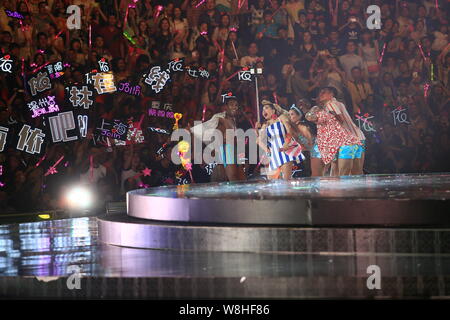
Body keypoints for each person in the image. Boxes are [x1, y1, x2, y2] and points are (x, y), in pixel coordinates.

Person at [191, 94, 246, 182]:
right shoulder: (220, 119)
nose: (235, 107)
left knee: (241, 179)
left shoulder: (234, 121)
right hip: (226, 150)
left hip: (234, 151)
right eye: (231, 104)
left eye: (236, 105)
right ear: (226, 107)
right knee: (234, 178)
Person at [316, 87, 365, 175]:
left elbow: (340, 119)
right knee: (357, 172)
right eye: (320, 92)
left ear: (331, 94)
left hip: (347, 140)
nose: (321, 94)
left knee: (342, 173)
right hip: (359, 137)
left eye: (324, 92)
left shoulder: (330, 104)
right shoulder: (339, 103)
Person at [256, 100, 302, 180]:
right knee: (272, 181)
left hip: (285, 151)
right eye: (263, 110)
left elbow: (289, 131)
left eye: (266, 108)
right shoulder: (265, 125)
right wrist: (267, 150)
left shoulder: (281, 118)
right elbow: (259, 140)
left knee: (286, 180)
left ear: (273, 110)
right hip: (273, 154)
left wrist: (286, 143)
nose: (264, 111)